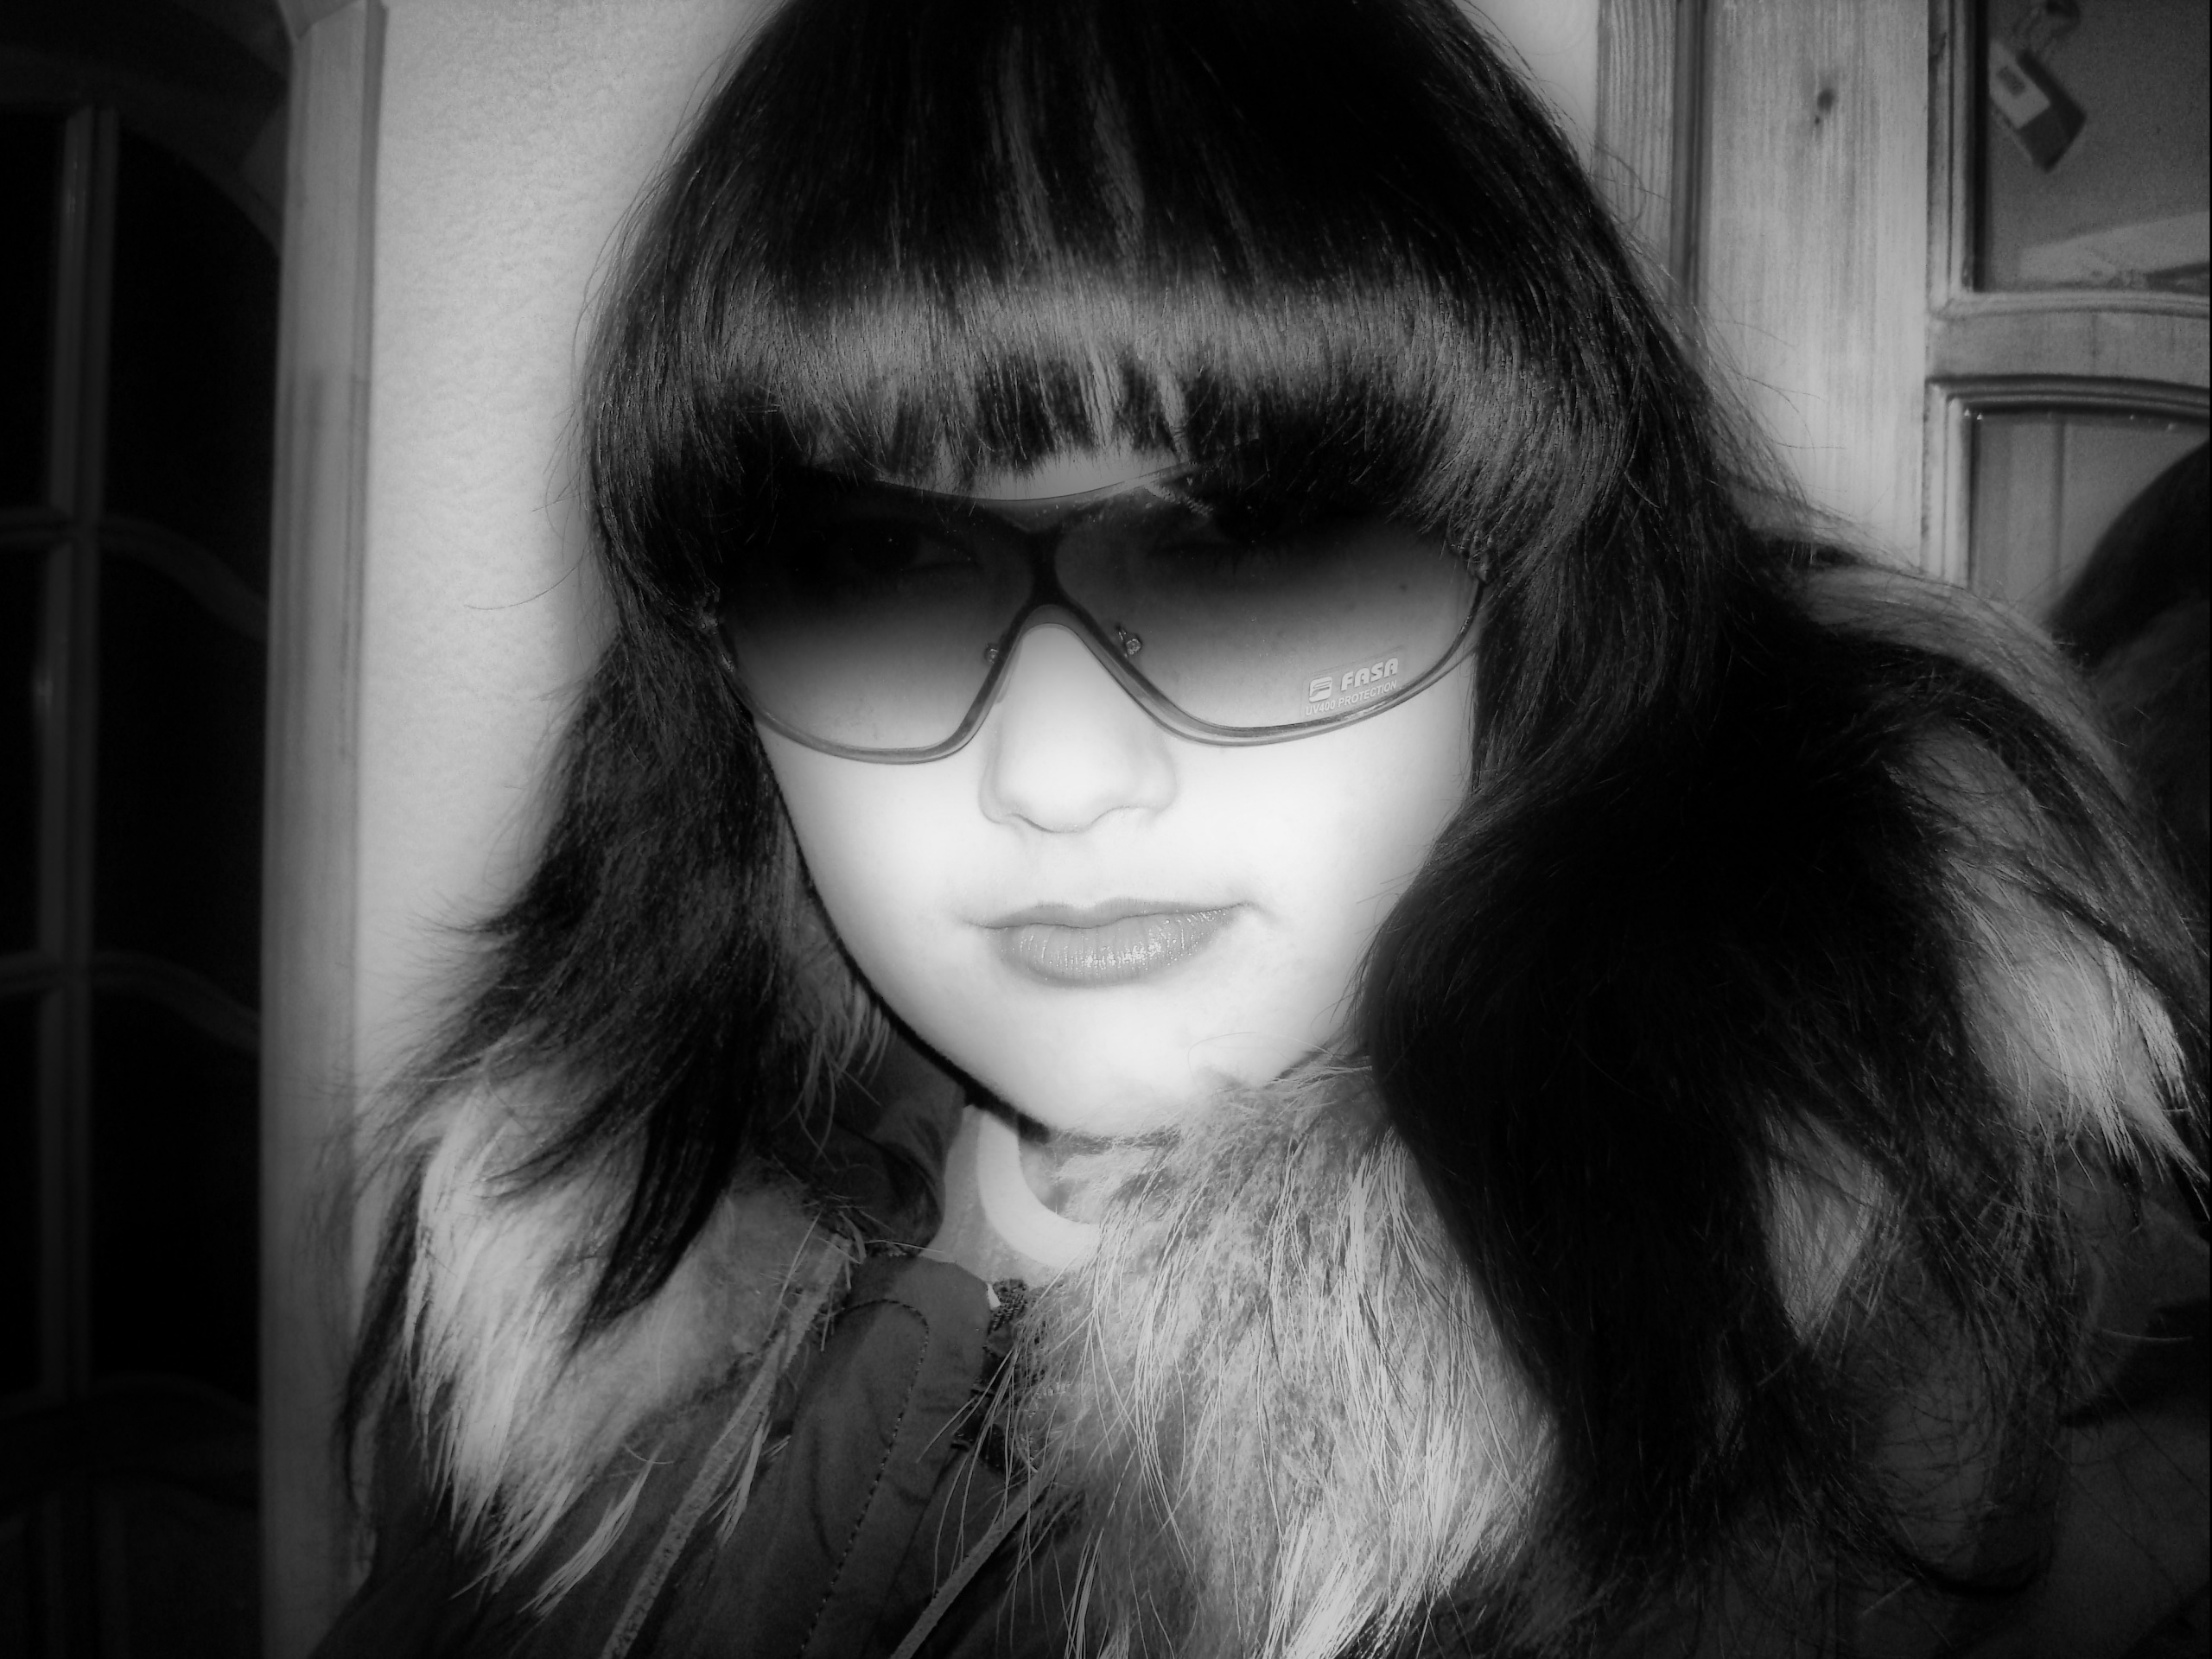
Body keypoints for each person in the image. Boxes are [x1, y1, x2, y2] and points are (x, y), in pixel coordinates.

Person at [310, 0, 2209, 1654]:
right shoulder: (585, 1304)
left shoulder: (1943, 1393)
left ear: (1532, 599)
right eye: (872, 571)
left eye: (1250, 554)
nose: (1059, 777)